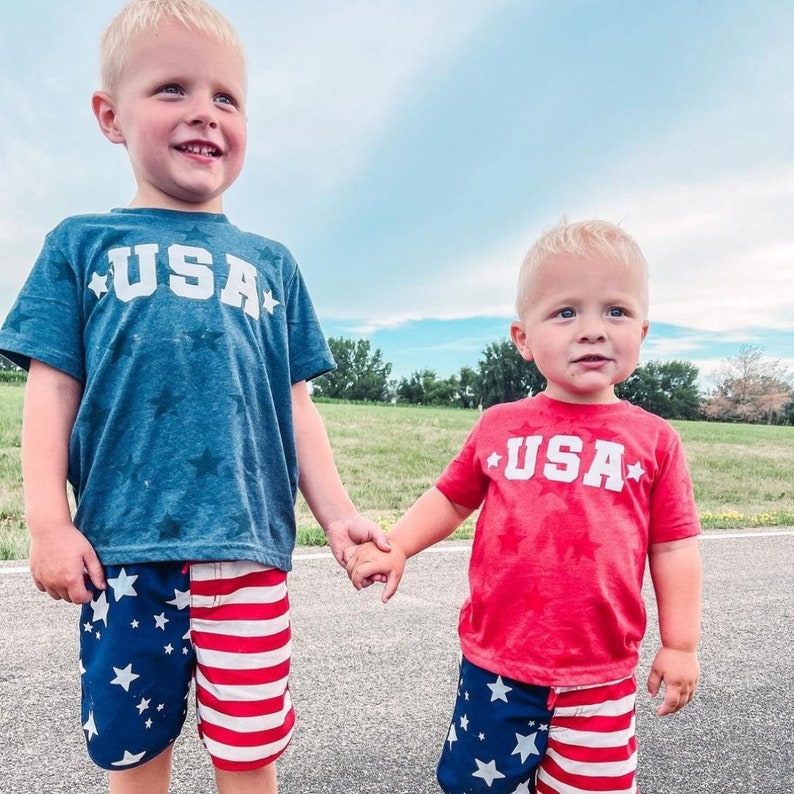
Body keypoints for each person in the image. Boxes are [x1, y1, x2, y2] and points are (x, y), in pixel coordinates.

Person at [0, 1, 389, 792]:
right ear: (110, 117)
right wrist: (46, 517)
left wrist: (339, 514)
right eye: (172, 89)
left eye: (226, 98)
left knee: (250, 758)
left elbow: (294, 404)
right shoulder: (82, 246)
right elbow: (51, 386)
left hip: (246, 553)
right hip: (124, 557)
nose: (203, 113)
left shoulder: (271, 264)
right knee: (135, 758)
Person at [346, 219, 702, 794]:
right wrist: (399, 545)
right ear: (523, 338)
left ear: (643, 330)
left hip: (601, 677)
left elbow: (674, 546)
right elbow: (450, 495)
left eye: (615, 311)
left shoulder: (656, 440)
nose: (592, 331)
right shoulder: (500, 426)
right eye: (566, 313)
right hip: (498, 669)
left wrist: (681, 643)